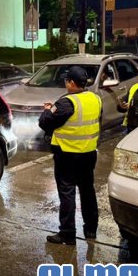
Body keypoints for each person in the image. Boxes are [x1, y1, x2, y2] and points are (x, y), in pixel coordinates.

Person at [38, 66, 102, 245]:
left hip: (67, 155)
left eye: (66, 81)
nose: (65, 84)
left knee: (67, 193)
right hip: (88, 154)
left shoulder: (66, 103)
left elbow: (44, 122)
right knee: (88, 191)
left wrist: (47, 109)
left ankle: (67, 233)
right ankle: (91, 230)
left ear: (72, 83)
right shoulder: (95, 99)